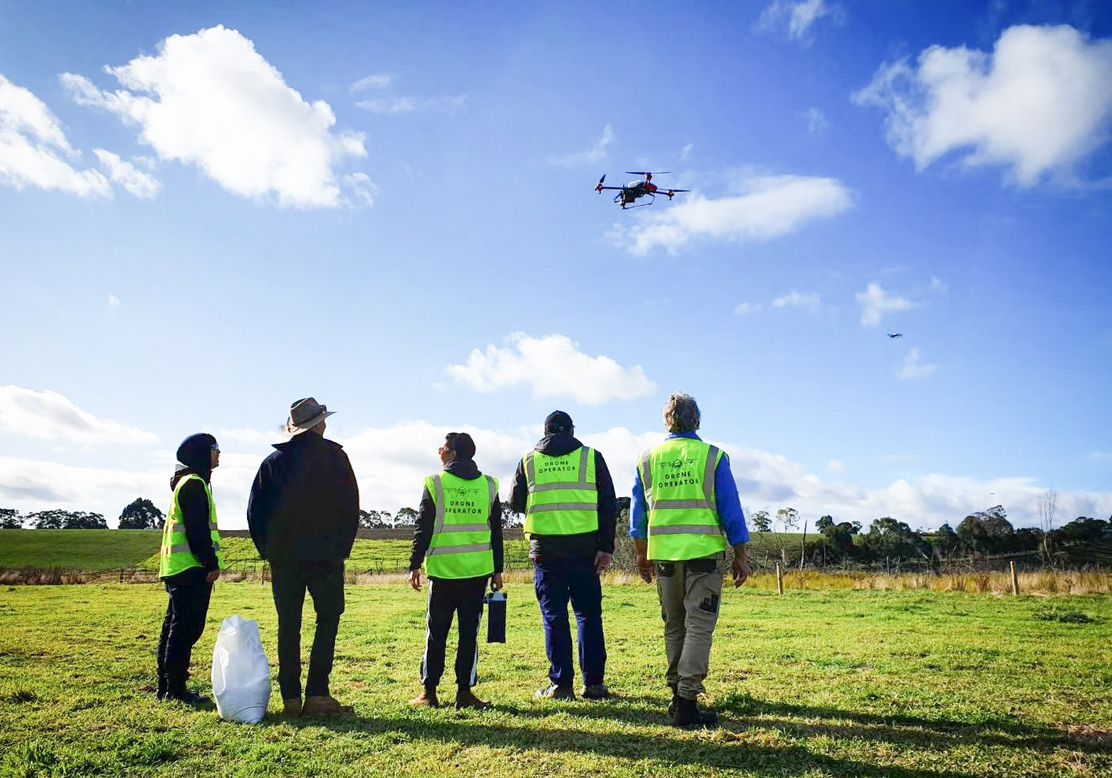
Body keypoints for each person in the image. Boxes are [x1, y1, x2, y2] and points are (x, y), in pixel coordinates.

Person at [631, 393, 751, 729]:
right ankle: (686, 702)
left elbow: (638, 515)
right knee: (699, 627)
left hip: (666, 556)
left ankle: (676, 696)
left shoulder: (647, 459)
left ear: (667, 420)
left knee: (675, 626)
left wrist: (642, 555)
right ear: (696, 420)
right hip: (704, 556)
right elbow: (731, 509)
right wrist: (741, 554)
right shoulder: (713, 457)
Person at [247, 397, 360, 717]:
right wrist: (340, 550)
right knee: (328, 621)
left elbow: (255, 513)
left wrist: (269, 552)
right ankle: (318, 694)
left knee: (288, 625)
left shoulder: (272, 463)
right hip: (326, 558)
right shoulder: (337, 459)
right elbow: (351, 507)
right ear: (320, 424)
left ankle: (291, 699)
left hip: (284, 560)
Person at [510, 410, 618, 701]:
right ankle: (594, 685)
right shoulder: (591, 457)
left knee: (554, 617)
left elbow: (516, 502)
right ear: (571, 430)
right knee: (588, 616)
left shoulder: (528, 461)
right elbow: (609, 505)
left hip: (546, 551)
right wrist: (606, 547)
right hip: (586, 551)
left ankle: (561, 686)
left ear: (545, 432)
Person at [407, 432, 504, 710]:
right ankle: (464, 693)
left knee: (436, 633)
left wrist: (415, 564)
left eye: (442, 448)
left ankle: (429, 693)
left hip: (443, 572)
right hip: (478, 573)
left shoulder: (435, 483)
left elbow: (422, 526)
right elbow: (496, 532)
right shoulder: (489, 485)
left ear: (453, 453)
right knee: (468, 634)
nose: (439, 452)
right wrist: (497, 570)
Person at [157, 433, 227, 704]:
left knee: (174, 628)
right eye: (215, 449)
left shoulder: (189, 483)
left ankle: (167, 687)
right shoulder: (194, 485)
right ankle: (175, 689)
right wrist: (210, 563)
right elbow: (198, 531)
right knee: (186, 629)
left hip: (179, 568)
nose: (219, 454)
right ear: (201, 453)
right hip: (191, 569)